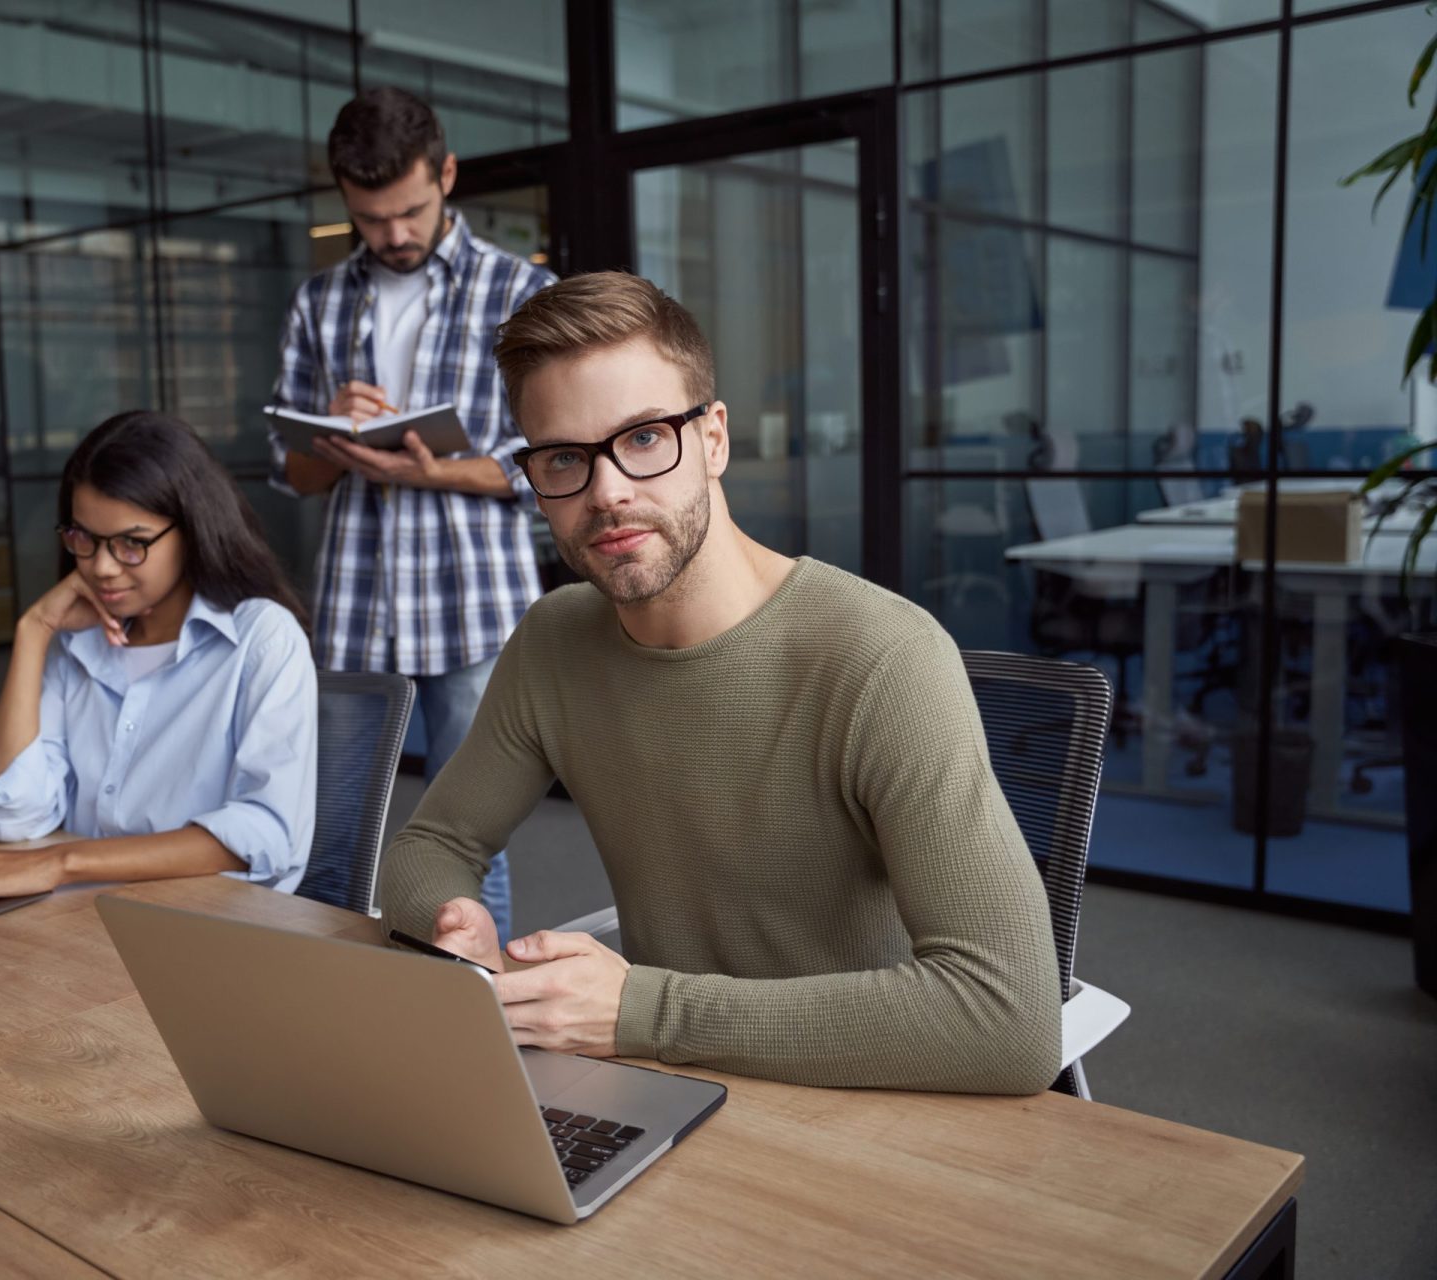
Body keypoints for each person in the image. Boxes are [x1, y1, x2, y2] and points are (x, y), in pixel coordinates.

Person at [379, 272, 1063, 1094]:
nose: (608, 494)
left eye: (642, 439)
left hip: (866, 1103)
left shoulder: (884, 658)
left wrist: (644, 1011)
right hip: (671, 1089)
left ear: (713, 440)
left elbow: (1010, 1017)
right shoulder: (555, 641)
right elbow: (432, 849)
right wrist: (459, 930)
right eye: (564, 458)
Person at [269, 86, 554, 942]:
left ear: (448, 176)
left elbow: (552, 461)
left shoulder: (522, 290)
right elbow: (291, 474)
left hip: (472, 610)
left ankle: (481, 1007)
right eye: (369, 218)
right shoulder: (319, 303)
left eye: (409, 211)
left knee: (472, 840)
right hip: (358, 608)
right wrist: (331, 438)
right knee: (332, 827)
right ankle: (327, 1010)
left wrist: (436, 470)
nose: (392, 234)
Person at [0, 412, 317, 913]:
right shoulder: (80, 642)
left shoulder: (261, 638)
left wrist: (63, 862)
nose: (102, 567)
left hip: (208, 927)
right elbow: (13, 814)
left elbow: (266, 832)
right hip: (80, 918)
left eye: (132, 543)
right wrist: (34, 632)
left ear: (193, 530)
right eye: (83, 538)